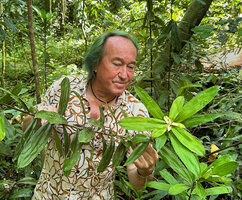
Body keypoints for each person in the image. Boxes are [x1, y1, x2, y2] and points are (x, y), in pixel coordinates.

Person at [24, 31, 158, 199]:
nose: (124, 75)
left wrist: (146, 171)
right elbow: (29, 133)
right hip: (48, 195)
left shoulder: (135, 113)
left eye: (131, 67)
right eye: (117, 64)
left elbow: (137, 183)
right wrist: (36, 119)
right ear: (95, 64)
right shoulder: (63, 88)